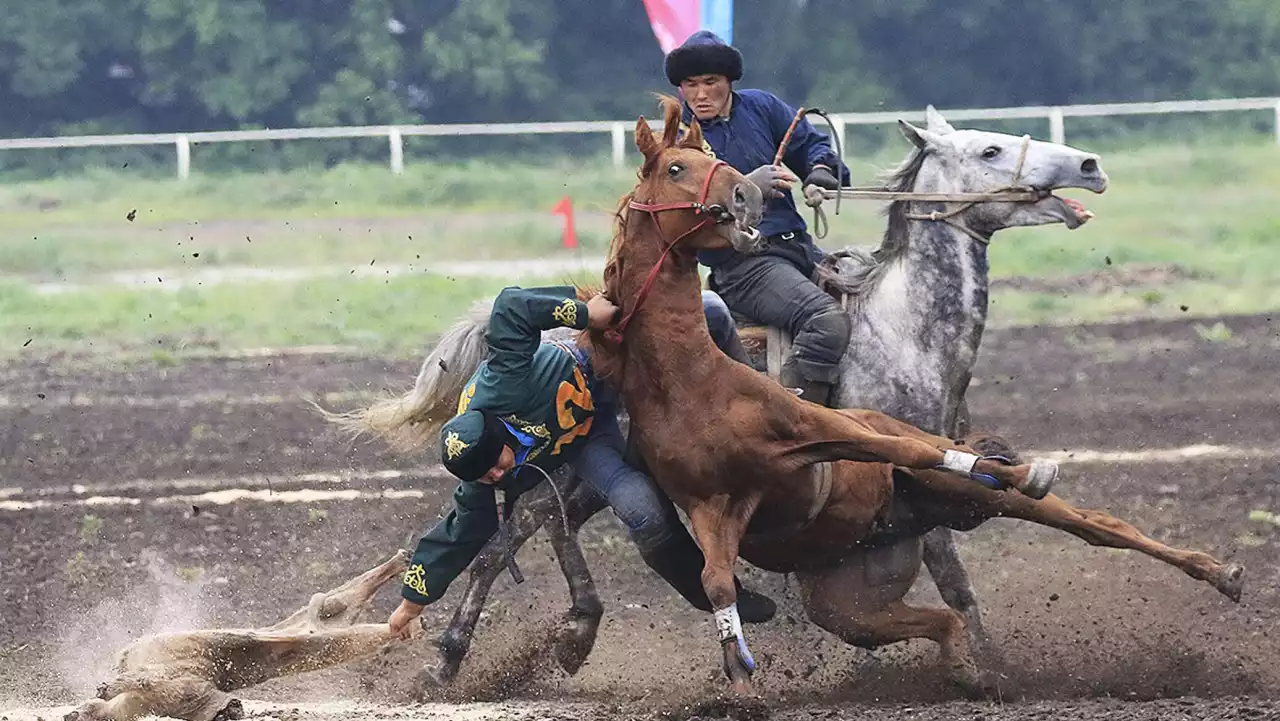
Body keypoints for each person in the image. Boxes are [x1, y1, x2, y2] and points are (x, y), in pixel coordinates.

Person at [388, 285, 776, 639]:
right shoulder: (484, 474)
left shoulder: (503, 382)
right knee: (642, 512)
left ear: (499, 430)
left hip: (601, 357)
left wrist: (584, 314)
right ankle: (721, 598)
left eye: (494, 464)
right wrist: (409, 606)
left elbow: (510, 308)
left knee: (711, 309)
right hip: (589, 435)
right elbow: (454, 536)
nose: (495, 476)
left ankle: (766, 400)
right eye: (484, 477)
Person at [664, 30, 854, 407]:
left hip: (799, 248)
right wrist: (748, 186)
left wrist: (819, 171)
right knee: (826, 322)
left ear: (729, 82)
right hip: (743, 266)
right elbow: (678, 217)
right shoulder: (677, 139)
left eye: (710, 82)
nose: (700, 94)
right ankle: (797, 419)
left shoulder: (763, 107)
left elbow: (811, 144)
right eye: (691, 84)